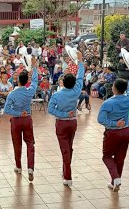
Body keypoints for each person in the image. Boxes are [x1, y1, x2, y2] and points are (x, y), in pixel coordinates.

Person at [97, 57, 129, 192]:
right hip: (125, 131)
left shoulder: (108, 103)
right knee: (120, 158)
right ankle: (115, 181)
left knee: (107, 156)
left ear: (114, 88)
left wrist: (113, 123)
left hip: (112, 132)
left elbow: (101, 119)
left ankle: (116, 178)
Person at [48, 51, 84, 187]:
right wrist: (80, 61)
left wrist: (63, 115)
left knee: (65, 149)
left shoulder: (57, 95)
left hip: (62, 124)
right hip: (73, 122)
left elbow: (51, 109)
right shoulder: (76, 91)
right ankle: (65, 169)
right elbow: (80, 76)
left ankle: (68, 175)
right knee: (69, 147)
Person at [4, 58, 38, 181]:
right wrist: (34, 67)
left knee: (17, 144)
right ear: (26, 81)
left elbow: (6, 110)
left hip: (16, 120)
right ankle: (30, 168)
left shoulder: (12, 94)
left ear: (17, 80)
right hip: (28, 119)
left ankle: (18, 166)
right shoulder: (30, 91)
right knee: (30, 143)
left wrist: (17, 113)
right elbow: (35, 81)